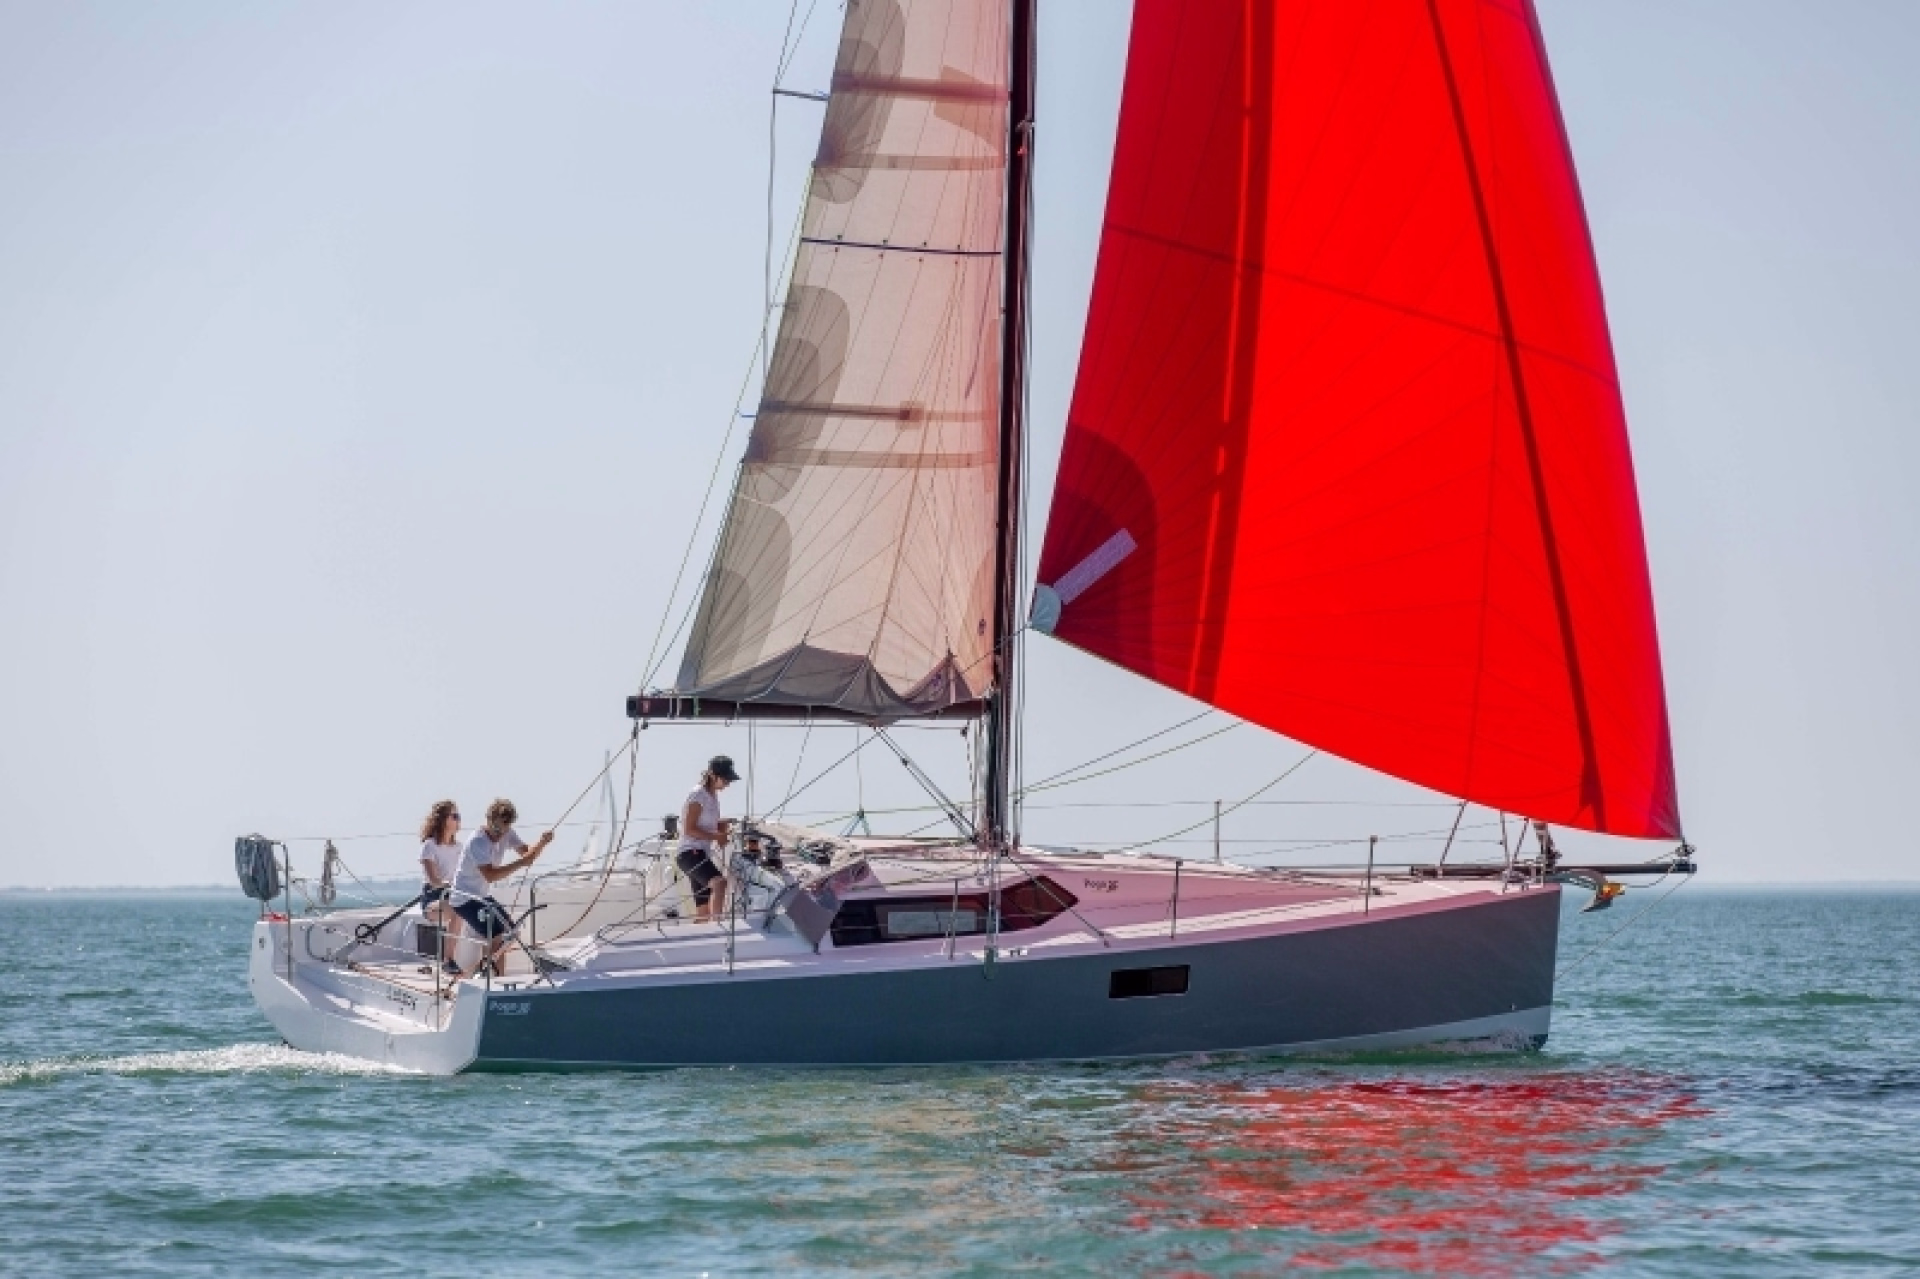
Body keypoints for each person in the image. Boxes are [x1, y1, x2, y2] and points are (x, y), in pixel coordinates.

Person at [449, 798, 553, 980]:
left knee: (512, 933)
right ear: (488, 820)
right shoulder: (477, 842)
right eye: (497, 829)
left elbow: (527, 854)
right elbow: (490, 875)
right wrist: (520, 863)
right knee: (496, 934)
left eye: (505, 829)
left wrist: (542, 843)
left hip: (481, 896)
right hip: (463, 898)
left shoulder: (507, 833)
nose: (500, 834)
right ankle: (496, 980)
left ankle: (488, 972)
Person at [677, 756, 739, 924]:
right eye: (725, 779)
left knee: (703, 912)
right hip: (690, 853)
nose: (728, 783)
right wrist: (716, 836)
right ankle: (718, 927)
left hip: (700, 854)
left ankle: (700, 935)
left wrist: (722, 825)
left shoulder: (712, 797)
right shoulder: (698, 795)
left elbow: (708, 825)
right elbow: (689, 829)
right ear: (713, 775)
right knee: (719, 883)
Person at [417, 799, 464, 962]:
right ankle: (448, 960)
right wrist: (450, 885)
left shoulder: (460, 848)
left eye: (458, 816)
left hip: (455, 895)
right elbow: (434, 880)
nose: (459, 820)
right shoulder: (429, 846)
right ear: (443, 819)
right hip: (433, 898)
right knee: (459, 910)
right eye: (455, 816)